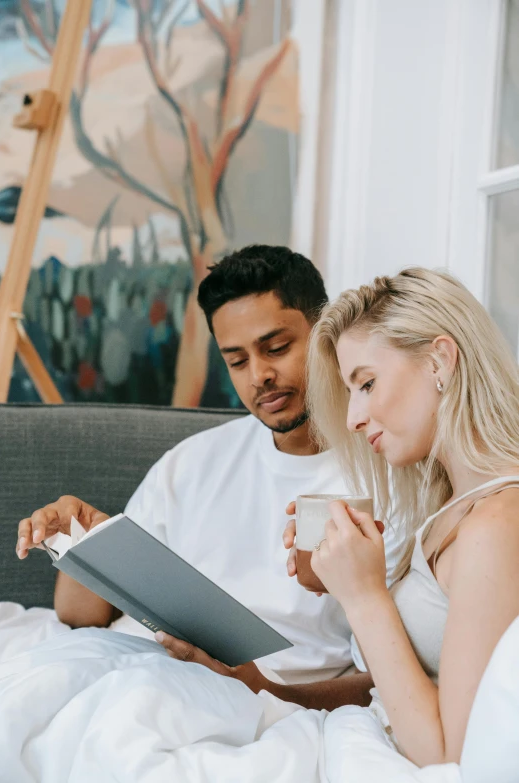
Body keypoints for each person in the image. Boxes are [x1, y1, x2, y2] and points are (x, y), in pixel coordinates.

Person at [110, 265, 518, 768]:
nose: (352, 418)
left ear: (440, 360)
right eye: (350, 392)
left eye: (366, 384)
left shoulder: (496, 526)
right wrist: (265, 687)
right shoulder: (451, 504)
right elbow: (405, 684)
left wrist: (363, 596)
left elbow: (448, 757)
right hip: (357, 729)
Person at [16, 245, 401, 711]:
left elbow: (385, 679)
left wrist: (263, 690)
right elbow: (81, 616)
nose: (260, 375)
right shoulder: (192, 461)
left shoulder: (387, 475)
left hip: (247, 700)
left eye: (276, 348)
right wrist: (79, 541)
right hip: (128, 668)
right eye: (236, 361)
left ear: (325, 334)